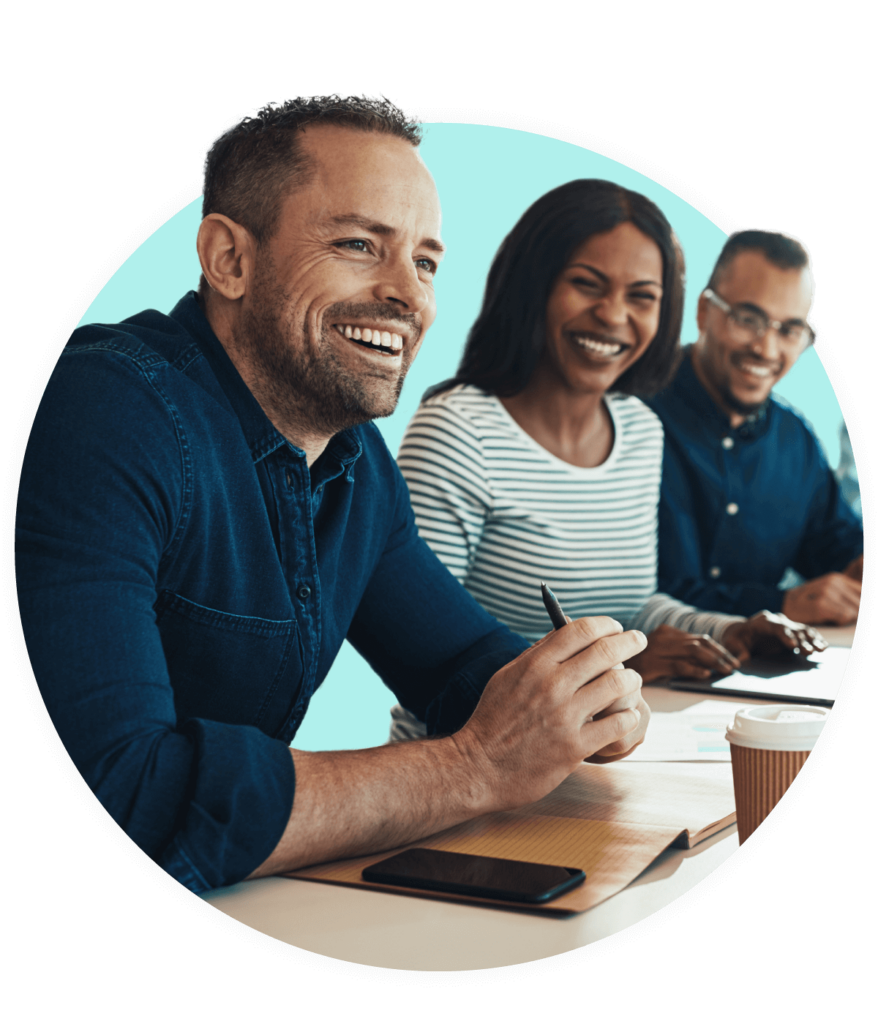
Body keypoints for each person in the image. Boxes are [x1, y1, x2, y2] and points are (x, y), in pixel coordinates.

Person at [14, 96, 655, 896]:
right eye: (359, 244)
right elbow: (118, 797)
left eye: (424, 262)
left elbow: (458, 664)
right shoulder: (103, 411)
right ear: (229, 259)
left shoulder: (354, 456)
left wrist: (573, 701)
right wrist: (478, 765)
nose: (407, 296)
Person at [390, 181, 822, 742]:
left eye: (641, 296)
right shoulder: (458, 431)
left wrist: (733, 631)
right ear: (534, 287)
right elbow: (427, 656)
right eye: (586, 284)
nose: (613, 314)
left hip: (600, 761)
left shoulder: (640, 428)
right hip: (465, 779)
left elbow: (633, 607)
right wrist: (617, 671)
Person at [645, 229, 864, 624]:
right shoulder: (628, 416)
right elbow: (623, 597)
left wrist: (859, 567)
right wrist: (778, 605)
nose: (766, 348)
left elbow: (837, 546)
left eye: (790, 330)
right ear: (703, 312)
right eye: (748, 319)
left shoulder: (796, 441)